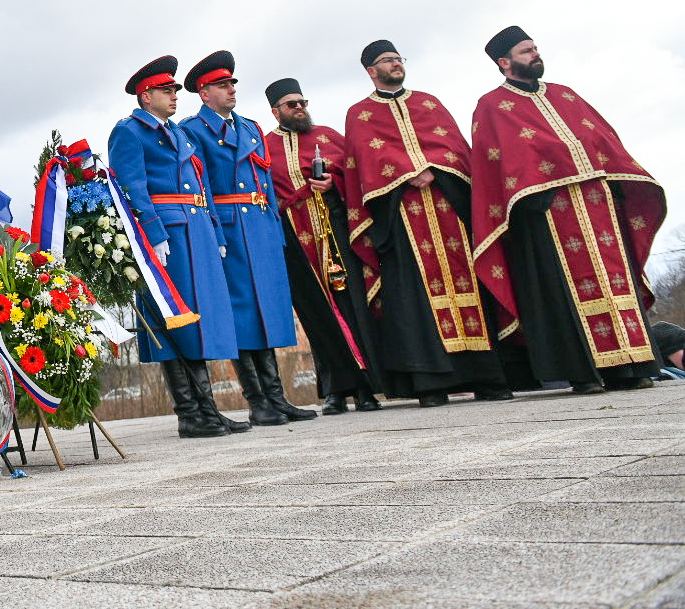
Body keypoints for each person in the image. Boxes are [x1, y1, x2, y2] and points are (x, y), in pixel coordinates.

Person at [470, 27, 664, 393]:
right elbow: (498, 163)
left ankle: (633, 365)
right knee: (563, 291)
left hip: (599, 205)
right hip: (546, 212)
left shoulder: (565, 95)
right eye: (526, 51)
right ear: (504, 62)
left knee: (616, 280)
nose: (535, 54)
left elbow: (602, 138)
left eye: (535, 48)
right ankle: (584, 373)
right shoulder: (492, 106)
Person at [342, 40, 513, 407]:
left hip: (449, 207)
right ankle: (432, 383)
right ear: (372, 71)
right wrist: (406, 173)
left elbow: (456, 148)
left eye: (398, 59)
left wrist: (435, 169)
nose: (395, 64)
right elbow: (365, 162)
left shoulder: (428, 103)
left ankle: (486, 376)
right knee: (414, 296)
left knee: (471, 284)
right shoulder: (360, 114)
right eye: (387, 61)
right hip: (400, 216)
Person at [107, 55, 247, 438]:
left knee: (196, 319)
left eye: (174, 90)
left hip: (196, 229)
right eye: (166, 90)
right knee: (174, 319)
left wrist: (216, 234)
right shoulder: (130, 131)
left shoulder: (180, 133)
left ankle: (207, 410)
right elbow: (132, 186)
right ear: (145, 96)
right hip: (169, 234)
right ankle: (190, 413)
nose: (174, 96)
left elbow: (202, 186)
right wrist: (153, 234)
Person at [180, 53, 315, 426]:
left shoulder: (250, 127)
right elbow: (200, 185)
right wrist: (214, 232)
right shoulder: (193, 130)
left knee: (266, 312)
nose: (231, 90)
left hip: (259, 227)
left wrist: (274, 226)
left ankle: (277, 398)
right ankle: (257, 401)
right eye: (222, 85)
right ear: (204, 93)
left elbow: (265, 182)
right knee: (241, 314)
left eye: (232, 84)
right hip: (230, 227)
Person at [264, 77, 382, 414]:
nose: (300, 109)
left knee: (351, 307)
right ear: (276, 111)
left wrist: (334, 181)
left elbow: (356, 173)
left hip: (336, 231)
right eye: (292, 105)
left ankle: (366, 388)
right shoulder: (265, 146)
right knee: (316, 315)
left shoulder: (328, 136)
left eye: (303, 103)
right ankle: (335, 390)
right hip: (294, 239)